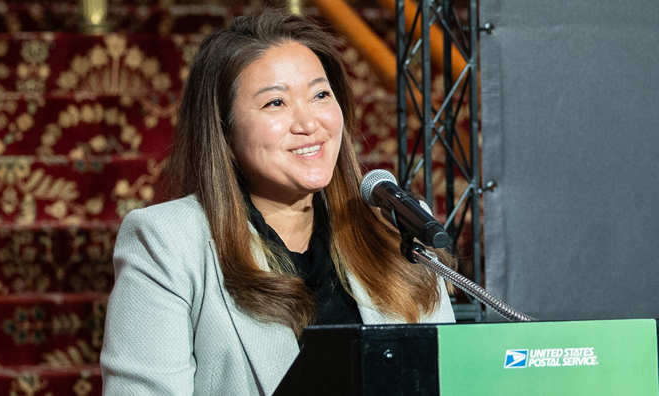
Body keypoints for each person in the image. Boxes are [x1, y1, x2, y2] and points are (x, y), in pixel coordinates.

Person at [100, 9, 457, 396]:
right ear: (225, 133)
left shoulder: (395, 228)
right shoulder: (168, 242)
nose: (308, 123)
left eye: (320, 95)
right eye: (275, 103)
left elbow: (450, 380)